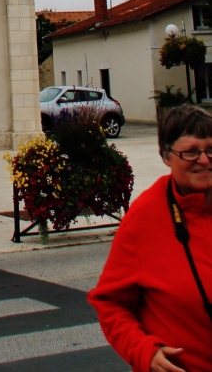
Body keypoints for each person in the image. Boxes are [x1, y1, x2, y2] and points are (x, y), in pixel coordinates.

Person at [89, 104, 212, 372]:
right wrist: (143, 351)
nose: (204, 160)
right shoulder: (144, 218)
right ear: (166, 156)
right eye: (191, 151)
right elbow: (110, 303)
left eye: (211, 149)